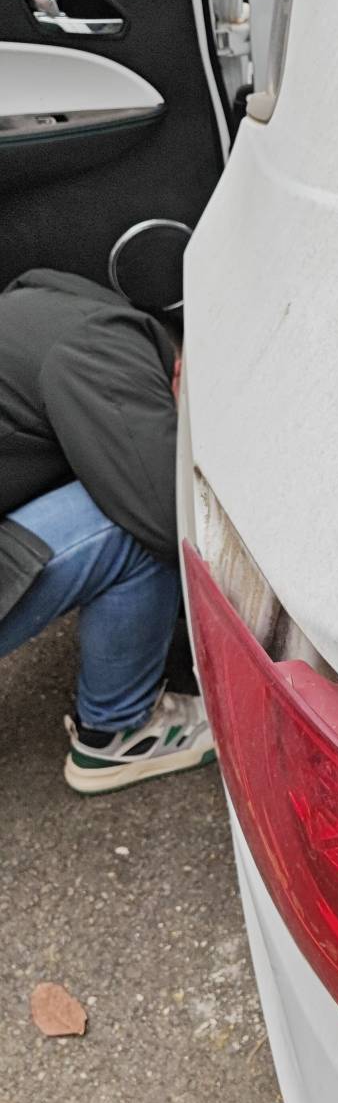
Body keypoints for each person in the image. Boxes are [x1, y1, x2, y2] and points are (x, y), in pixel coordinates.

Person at [0, 269, 214, 793]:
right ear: (182, 375)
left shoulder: (46, 302)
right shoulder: (102, 356)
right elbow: (168, 519)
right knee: (138, 524)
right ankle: (120, 732)